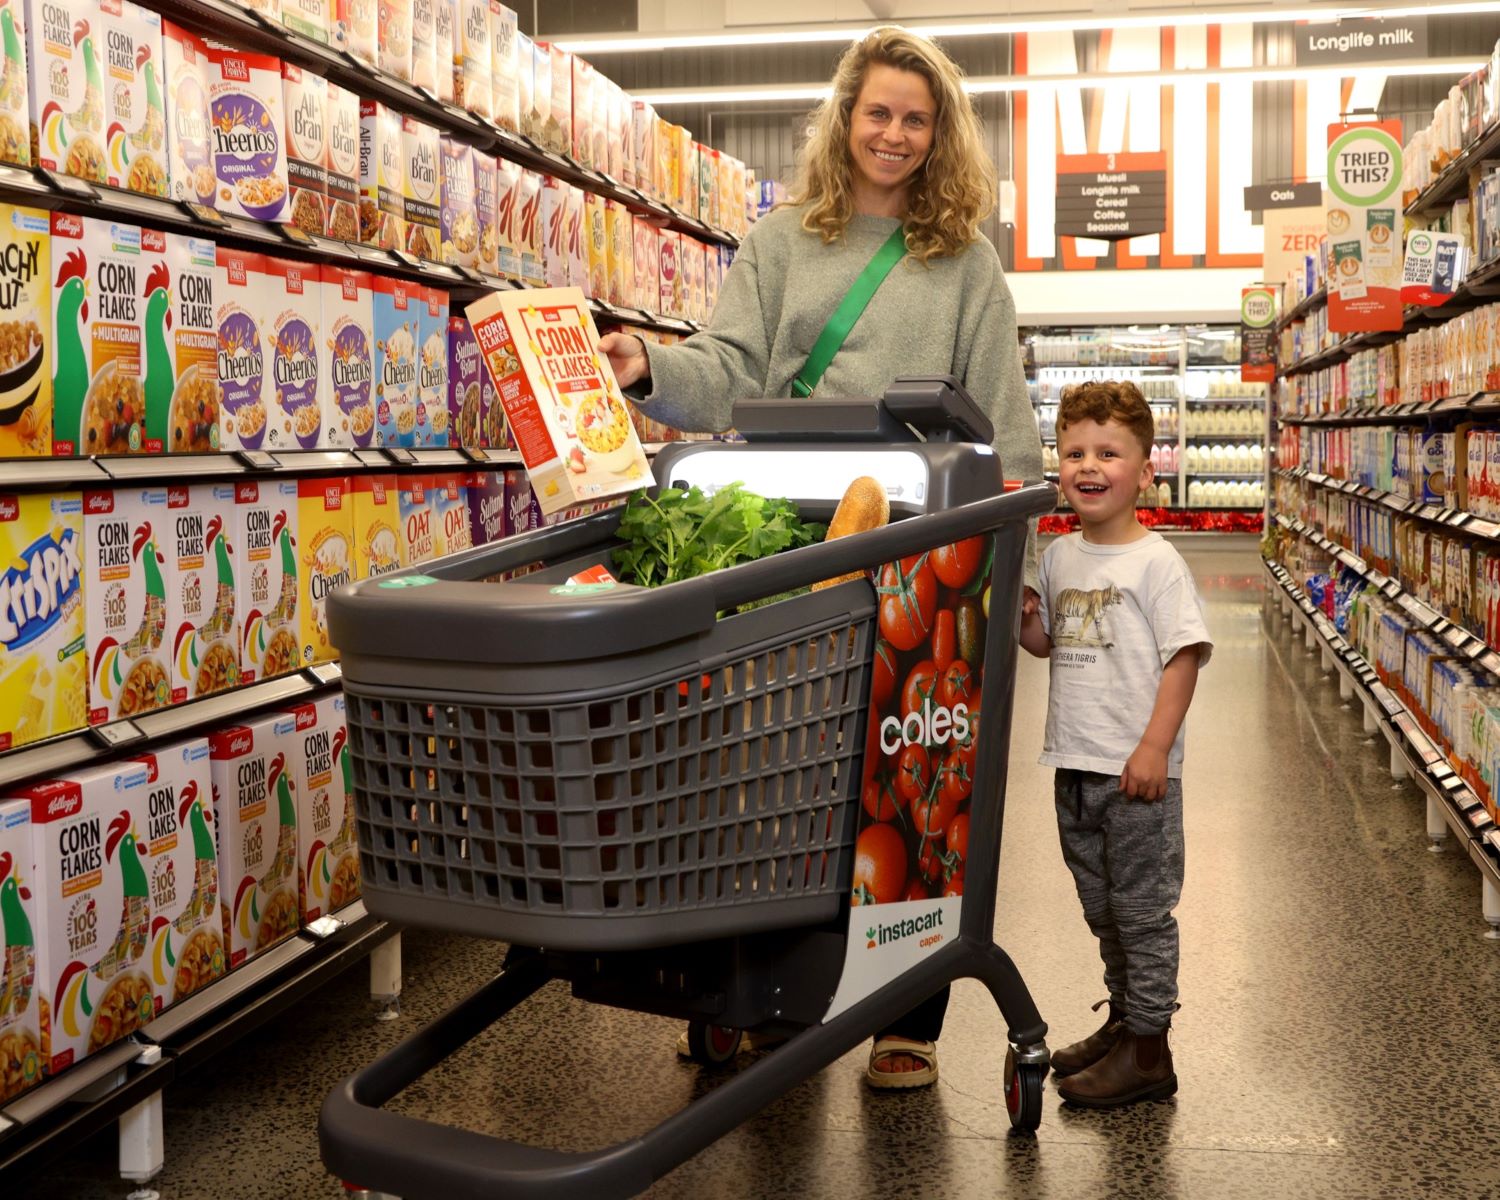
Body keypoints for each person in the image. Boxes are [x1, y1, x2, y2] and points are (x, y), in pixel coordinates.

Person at [600, 26, 1043, 1089]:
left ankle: (905, 1016)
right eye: (878, 111)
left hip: (922, 547)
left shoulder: (966, 264)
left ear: (941, 138)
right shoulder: (782, 241)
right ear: (846, 118)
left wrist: (1014, 569)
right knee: (767, 767)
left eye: (916, 118)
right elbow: (727, 365)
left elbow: (1011, 427)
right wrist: (645, 364)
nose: (894, 134)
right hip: (786, 531)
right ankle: (763, 991)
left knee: (909, 773)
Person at [1018, 380, 1212, 1107]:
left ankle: (1151, 1052)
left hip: (1135, 776)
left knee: (1142, 914)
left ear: (1146, 472)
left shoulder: (1156, 563)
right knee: (1102, 909)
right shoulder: (1061, 557)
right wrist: (1019, 611)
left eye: (1108, 452)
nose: (1088, 466)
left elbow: (1184, 656)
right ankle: (1126, 1019)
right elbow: (1045, 643)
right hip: (1074, 763)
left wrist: (1156, 747)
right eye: (1073, 452)